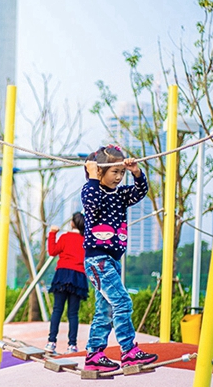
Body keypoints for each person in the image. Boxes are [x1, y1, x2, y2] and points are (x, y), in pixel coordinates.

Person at [82, 145, 158, 372]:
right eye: (114, 172)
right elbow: (92, 205)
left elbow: (140, 192)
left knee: (105, 309)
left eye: (121, 172)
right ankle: (128, 350)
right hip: (97, 259)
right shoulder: (91, 190)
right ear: (100, 171)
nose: (118, 177)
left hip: (112, 260)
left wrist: (136, 172)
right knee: (122, 302)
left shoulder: (121, 194)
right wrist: (93, 176)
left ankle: (94, 355)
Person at [45, 212, 88, 354]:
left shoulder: (65, 237)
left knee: (57, 309)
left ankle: (51, 342)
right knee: (73, 313)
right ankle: (72, 346)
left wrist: (52, 233)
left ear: (72, 223)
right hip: (78, 277)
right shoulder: (85, 240)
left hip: (62, 275)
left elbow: (52, 251)